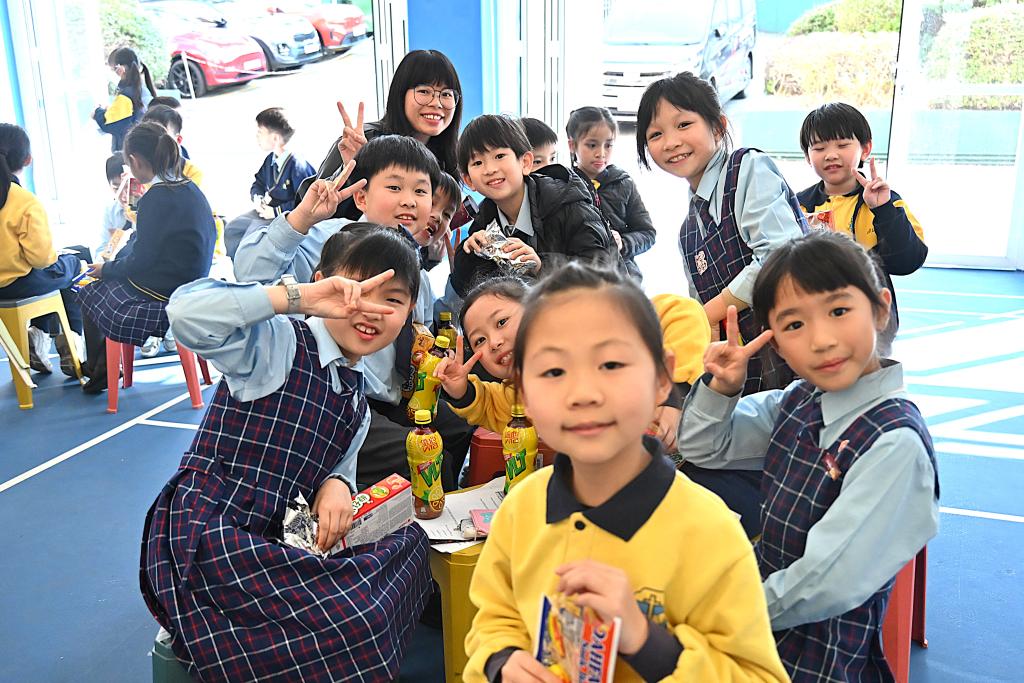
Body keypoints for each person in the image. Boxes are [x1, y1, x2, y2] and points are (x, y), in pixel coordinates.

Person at [463, 262, 788, 683]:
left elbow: (757, 674)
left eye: (611, 364)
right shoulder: (521, 508)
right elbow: (493, 618)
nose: (583, 394)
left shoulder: (710, 531)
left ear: (662, 378)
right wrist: (501, 661)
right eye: (554, 372)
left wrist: (646, 642)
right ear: (524, 392)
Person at [142, 226, 432, 683]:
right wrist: (296, 299)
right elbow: (184, 313)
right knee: (356, 615)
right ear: (323, 283)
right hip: (215, 529)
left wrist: (337, 485)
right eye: (355, 290)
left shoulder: (356, 398)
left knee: (413, 544)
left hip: (286, 530)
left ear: (409, 311)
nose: (371, 310)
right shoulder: (280, 343)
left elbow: (341, 465)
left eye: (392, 300)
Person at [678, 231, 939, 681]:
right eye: (794, 325)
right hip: (759, 636)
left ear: (880, 310)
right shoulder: (800, 399)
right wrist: (722, 388)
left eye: (838, 311)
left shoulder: (895, 442)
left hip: (817, 660)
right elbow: (705, 446)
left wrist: (713, 612)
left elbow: (825, 583)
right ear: (777, 345)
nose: (821, 341)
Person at [233, 135, 474, 490]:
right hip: (333, 395)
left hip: (393, 396)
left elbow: (422, 333)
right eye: (394, 187)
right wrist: (299, 220)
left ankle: (441, 503)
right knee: (423, 455)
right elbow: (250, 274)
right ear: (361, 197)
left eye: (421, 191)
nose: (409, 200)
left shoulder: (417, 270)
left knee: (459, 424)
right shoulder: (327, 240)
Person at [637, 71, 808, 395]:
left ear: (718, 126)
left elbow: (782, 258)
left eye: (683, 124)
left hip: (795, 359)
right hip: (743, 379)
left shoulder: (747, 168)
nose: (671, 142)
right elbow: (705, 325)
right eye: (655, 134)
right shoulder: (687, 233)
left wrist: (705, 314)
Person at [435, 275, 710, 453]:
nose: (494, 342)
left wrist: (672, 399)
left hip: (697, 452)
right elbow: (491, 405)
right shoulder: (525, 394)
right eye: (480, 340)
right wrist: (462, 391)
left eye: (502, 322)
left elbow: (680, 311)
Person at [78, 122, 216, 392]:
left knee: (90, 293)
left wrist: (107, 269)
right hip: (194, 280)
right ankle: (103, 367)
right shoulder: (188, 187)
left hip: (164, 289)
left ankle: (101, 370)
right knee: (108, 277)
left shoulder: (155, 198)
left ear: (135, 161)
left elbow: (141, 260)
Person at [797, 102, 926, 340]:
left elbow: (908, 261)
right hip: (816, 321)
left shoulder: (886, 201)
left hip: (872, 322)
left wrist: (883, 209)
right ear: (807, 156)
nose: (831, 154)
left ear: (865, 149)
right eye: (819, 148)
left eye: (842, 145)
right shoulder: (799, 206)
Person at [450, 114, 616, 298]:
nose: (490, 169)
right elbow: (464, 290)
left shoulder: (569, 204)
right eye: (477, 162)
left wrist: (542, 265)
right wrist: (470, 254)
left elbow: (605, 272)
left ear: (525, 162)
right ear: (468, 180)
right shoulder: (484, 219)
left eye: (499, 156)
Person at [299, 49, 463, 216]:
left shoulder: (448, 159)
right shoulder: (364, 140)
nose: (436, 103)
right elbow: (310, 210)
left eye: (446, 94)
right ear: (401, 94)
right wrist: (352, 170)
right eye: (424, 91)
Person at [0, 123, 84, 376]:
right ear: (27, 160)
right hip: (14, 284)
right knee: (74, 264)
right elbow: (41, 259)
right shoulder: (23, 201)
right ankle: (73, 342)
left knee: (55, 276)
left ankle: (38, 335)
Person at [566, 106, 655, 282]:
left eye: (608, 145)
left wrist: (624, 243)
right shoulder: (563, 186)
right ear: (572, 145)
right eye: (592, 145)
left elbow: (647, 233)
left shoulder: (623, 183)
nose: (601, 153)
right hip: (579, 279)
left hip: (623, 279)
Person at [223, 108, 314, 258]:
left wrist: (276, 211)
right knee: (233, 229)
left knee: (250, 237)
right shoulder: (271, 159)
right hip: (267, 211)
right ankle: (239, 266)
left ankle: (250, 269)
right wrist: (258, 198)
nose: (257, 136)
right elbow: (258, 183)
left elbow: (306, 203)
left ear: (275, 138)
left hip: (287, 218)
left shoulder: (298, 166)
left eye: (260, 132)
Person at [92, 47, 156, 151]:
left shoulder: (126, 95)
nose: (111, 72)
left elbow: (110, 123)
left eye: (112, 69)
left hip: (128, 149)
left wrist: (97, 112)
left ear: (120, 69)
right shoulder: (141, 89)